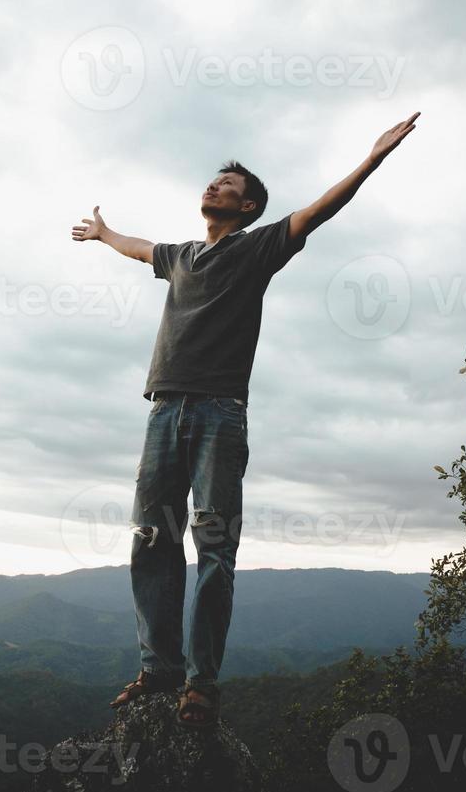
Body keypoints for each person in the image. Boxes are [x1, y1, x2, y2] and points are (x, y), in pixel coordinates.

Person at [70, 111, 421, 729]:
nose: (214, 187)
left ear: (250, 206)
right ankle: (160, 669)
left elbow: (317, 211)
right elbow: (139, 248)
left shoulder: (258, 249)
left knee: (213, 547)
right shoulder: (180, 256)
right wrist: (104, 233)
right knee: (151, 540)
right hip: (163, 409)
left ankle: (202, 683)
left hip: (219, 414)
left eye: (228, 184)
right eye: (213, 180)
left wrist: (372, 159)